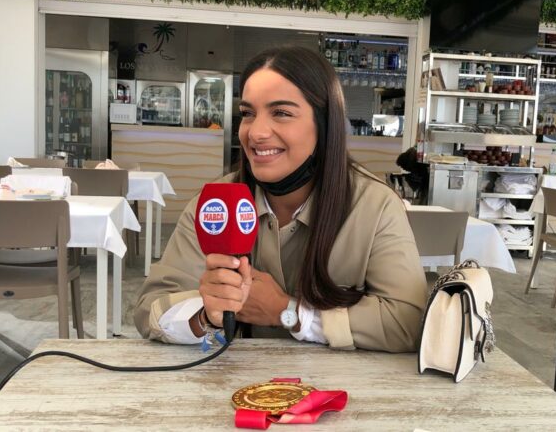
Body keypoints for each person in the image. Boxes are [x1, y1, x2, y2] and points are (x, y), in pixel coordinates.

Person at [135, 46, 427, 353]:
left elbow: (409, 322)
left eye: (282, 113)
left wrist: (291, 314)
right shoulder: (216, 204)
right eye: (248, 113)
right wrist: (206, 314)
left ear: (324, 125)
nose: (256, 132)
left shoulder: (375, 207)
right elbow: (148, 311)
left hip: (341, 394)